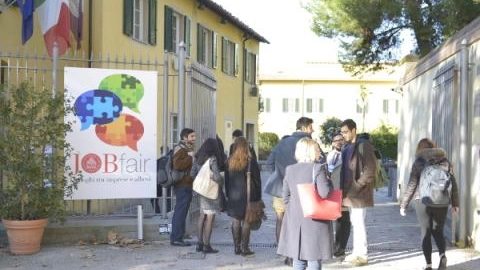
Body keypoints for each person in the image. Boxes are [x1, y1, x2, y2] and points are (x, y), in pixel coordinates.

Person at [399, 138, 459, 270]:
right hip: (442, 201)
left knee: (425, 232)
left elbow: (412, 184)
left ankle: (428, 265)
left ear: (420, 148)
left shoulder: (419, 161)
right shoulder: (445, 161)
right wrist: (455, 204)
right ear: (434, 147)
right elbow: (453, 184)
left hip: (422, 200)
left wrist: (404, 205)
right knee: (438, 231)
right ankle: (442, 256)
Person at [277, 137, 334, 270]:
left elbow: (285, 196)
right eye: (317, 149)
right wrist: (329, 182)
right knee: (314, 258)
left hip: (295, 219)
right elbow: (324, 193)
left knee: (299, 258)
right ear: (312, 151)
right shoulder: (318, 168)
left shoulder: (290, 169)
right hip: (314, 219)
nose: (319, 151)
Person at [265, 116, 314, 266]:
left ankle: (285, 252)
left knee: (281, 220)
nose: (313, 130)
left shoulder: (282, 143)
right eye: (311, 127)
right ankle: (300, 253)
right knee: (300, 222)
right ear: (305, 127)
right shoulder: (309, 143)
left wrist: (280, 175)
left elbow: (269, 163)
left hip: (281, 188)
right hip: (304, 190)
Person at [339, 119, 376, 266]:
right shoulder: (347, 147)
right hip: (349, 193)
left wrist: (357, 185)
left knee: (359, 223)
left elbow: (370, 169)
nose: (343, 135)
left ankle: (362, 255)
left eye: (346, 131)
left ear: (354, 130)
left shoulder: (364, 145)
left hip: (359, 193)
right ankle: (356, 252)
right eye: (342, 132)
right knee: (354, 222)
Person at [225, 136, 262, 256]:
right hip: (248, 196)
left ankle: (236, 248)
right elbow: (257, 181)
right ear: (247, 146)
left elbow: (226, 181)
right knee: (247, 222)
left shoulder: (229, 161)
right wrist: (258, 197)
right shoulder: (251, 162)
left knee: (235, 221)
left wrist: (228, 195)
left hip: (234, 196)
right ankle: (245, 248)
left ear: (235, 146)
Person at [190, 137, 224, 254]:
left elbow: (192, 174)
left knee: (201, 216)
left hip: (201, 191)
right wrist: (218, 179)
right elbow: (217, 177)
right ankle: (206, 245)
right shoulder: (212, 159)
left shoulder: (197, 157)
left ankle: (199, 244)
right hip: (210, 192)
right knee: (210, 217)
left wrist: (201, 180)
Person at [170, 128, 196, 247]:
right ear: (185, 138)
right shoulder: (180, 149)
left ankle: (180, 235)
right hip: (182, 185)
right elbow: (177, 165)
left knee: (182, 211)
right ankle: (176, 238)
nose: (194, 139)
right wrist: (190, 157)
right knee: (180, 212)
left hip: (186, 184)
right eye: (192, 136)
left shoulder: (186, 148)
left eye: (194, 136)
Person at [327, 134, 351, 257]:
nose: (339, 142)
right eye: (336, 140)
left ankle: (340, 247)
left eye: (341, 140)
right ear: (332, 143)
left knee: (344, 220)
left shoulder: (347, 154)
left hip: (344, 192)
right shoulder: (329, 156)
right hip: (332, 192)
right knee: (332, 219)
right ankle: (332, 246)